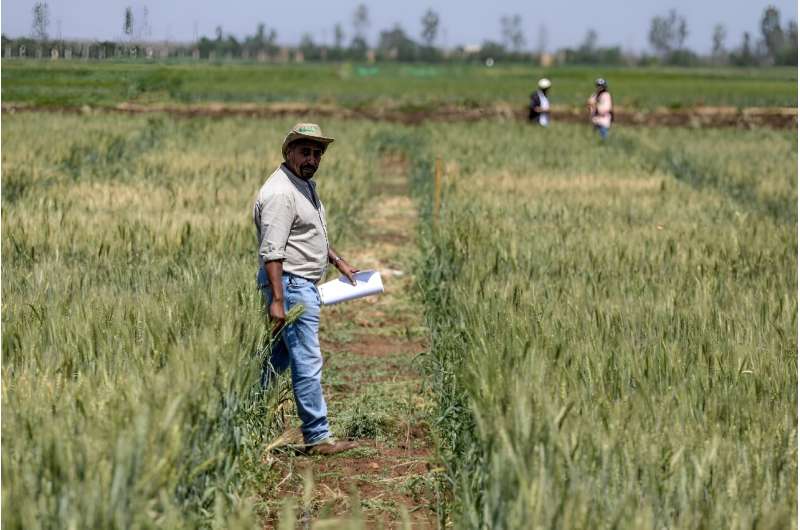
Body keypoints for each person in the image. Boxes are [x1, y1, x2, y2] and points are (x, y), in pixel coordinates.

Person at [253, 122, 359, 456]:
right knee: (307, 361)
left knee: (274, 362)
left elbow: (308, 235)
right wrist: (278, 300)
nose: (312, 159)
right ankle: (317, 436)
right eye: (305, 152)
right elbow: (273, 251)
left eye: (317, 153)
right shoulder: (281, 193)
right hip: (290, 286)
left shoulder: (302, 185)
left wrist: (338, 262)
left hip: (300, 286)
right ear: (288, 152)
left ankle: (245, 416)